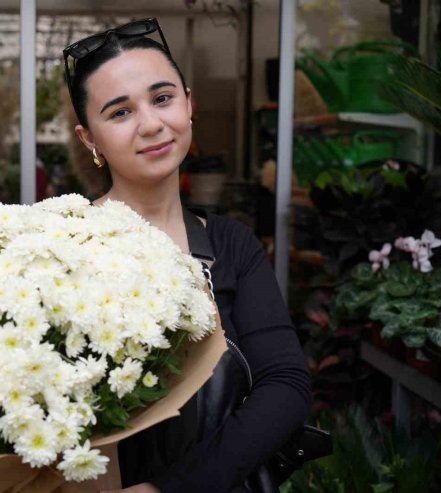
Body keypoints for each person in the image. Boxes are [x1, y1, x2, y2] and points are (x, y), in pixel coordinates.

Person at [62, 18, 312, 493]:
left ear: (189, 103)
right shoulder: (58, 246)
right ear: (89, 138)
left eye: (162, 98)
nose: (152, 123)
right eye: (120, 112)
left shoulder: (231, 245)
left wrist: (170, 489)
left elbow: (285, 384)